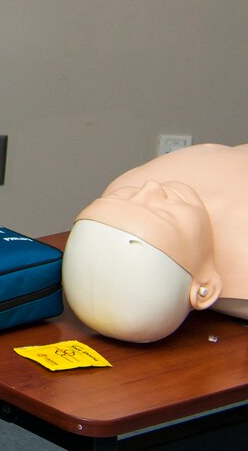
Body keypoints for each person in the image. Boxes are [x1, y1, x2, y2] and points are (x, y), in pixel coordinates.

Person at [65, 143, 248, 343]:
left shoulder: (130, 181)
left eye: (125, 196)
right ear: (206, 288)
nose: (150, 187)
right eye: (165, 213)